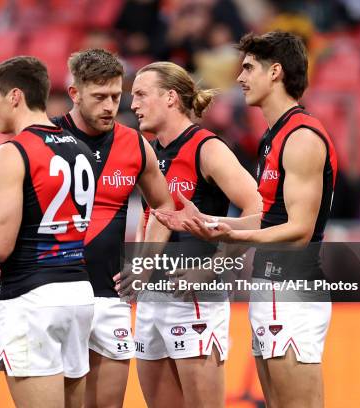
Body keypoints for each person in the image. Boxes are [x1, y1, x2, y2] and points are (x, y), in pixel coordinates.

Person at [154, 32, 338, 408]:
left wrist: (231, 239)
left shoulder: (301, 137)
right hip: (272, 291)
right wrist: (211, 222)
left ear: (275, 72)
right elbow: (270, 219)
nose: (240, 78)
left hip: (291, 291)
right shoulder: (275, 135)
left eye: (249, 68)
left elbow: (299, 231)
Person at [0, 56, 97, 408]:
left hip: (32, 298)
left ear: (15, 96)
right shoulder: (82, 148)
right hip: (78, 291)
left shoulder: (13, 153)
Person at [128, 61, 261, 408]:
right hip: (153, 298)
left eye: (141, 94)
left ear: (171, 97)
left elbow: (260, 213)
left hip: (195, 299)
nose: (133, 105)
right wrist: (140, 268)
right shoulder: (151, 153)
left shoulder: (207, 148)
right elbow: (158, 215)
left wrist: (215, 267)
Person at [51, 48, 174, 408]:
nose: (109, 106)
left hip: (110, 297)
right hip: (55, 296)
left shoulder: (134, 144)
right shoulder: (45, 140)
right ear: (75, 94)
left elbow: (165, 205)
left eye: (115, 96)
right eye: (99, 97)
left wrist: (145, 262)